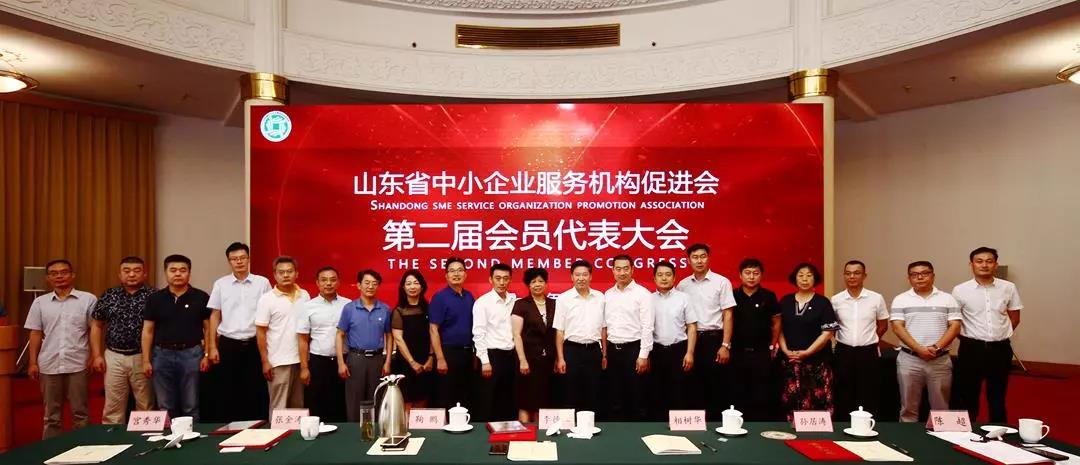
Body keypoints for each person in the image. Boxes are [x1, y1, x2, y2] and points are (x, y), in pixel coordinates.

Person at [25, 259, 97, 439]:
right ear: (47, 278)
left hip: (78, 363)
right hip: (49, 363)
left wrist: (95, 355)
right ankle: (51, 450)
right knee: (51, 415)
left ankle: (82, 448)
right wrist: (33, 362)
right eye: (54, 273)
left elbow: (95, 330)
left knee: (80, 412)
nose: (59, 276)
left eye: (64, 272)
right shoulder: (40, 303)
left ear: (72, 275)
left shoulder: (88, 299)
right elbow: (35, 333)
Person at [953, 247, 1023, 423]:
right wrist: (970, 338)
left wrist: (999, 334)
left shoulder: (1008, 287)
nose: (984, 265)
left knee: (997, 393)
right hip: (971, 348)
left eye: (989, 261)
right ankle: (967, 429)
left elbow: (1015, 318)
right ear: (971, 265)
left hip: (1000, 348)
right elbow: (954, 322)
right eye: (979, 261)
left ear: (995, 265)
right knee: (968, 392)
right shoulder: (960, 290)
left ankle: (998, 429)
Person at [205, 242, 272, 421]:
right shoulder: (221, 284)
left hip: (254, 343)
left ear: (249, 259)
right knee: (228, 388)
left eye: (242, 258)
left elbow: (270, 314)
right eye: (234, 259)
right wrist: (212, 347)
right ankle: (230, 427)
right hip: (229, 343)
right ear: (229, 262)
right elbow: (215, 315)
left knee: (256, 388)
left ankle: (257, 425)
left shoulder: (262, 283)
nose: (239, 262)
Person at [142, 255, 211, 421]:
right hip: (161, 355)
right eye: (173, 270)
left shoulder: (201, 297)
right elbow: (147, 331)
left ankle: (193, 435)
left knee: (191, 404)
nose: (178, 274)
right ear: (166, 273)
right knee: (165, 405)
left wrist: (207, 355)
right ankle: (168, 435)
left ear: (189, 273)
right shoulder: (155, 299)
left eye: (182, 270)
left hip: (192, 354)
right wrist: (145, 360)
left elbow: (208, 329)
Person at [890, 261, 961, 422]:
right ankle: (907, 436)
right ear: (909, 278)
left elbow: (955, 326)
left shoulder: (947, 299)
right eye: (914, 274)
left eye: (925, 273)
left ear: (933, 276)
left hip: (939, 359)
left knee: (941, 408)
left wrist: (936, 347)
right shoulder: (901, 299)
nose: (920, 277)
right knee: (908, 408)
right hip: (910, 360)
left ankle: (941, 436)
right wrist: (919, 349)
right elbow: (897, 327)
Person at [90, 256, 156, 425]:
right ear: (119, 274)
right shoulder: (109, 295)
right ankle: (112, 437)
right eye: (127, 271)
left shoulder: (154, 296)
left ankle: (144, 437)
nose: (131, 274)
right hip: (114, 356)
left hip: (143, 356)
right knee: (113, 406)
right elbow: (96, 325)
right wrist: (96, 355)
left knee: (145, 404)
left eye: (137, 271)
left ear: (145, 274)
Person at [676, 243, 736, 417]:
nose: (699, 261)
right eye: (695, 257)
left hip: (713, 339)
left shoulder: (721, 282)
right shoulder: (683, 285)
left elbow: (728, 315)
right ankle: (694, 422)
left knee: (715, 383)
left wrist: (725, 345)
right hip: (689, 340)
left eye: (703, 256)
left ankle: (715, 423)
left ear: (708, 258)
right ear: (689, 261)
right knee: (691, 383)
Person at [778, 262, 839, 421]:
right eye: (801, 275)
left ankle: (818, 432)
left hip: (816, 362)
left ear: (815, 279)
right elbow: (778, 329)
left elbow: (828, 333)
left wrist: (807, 352)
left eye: (809, 275)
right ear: (795, 278)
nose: (804, 279)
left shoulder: (823, 302)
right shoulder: (785, 301)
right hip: (790, 360)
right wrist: (785, 350)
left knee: (818, 400)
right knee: (791, 401)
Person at [830, 260, 889, 418]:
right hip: (843, 351)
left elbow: (883, 325)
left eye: (856, 273)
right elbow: (832, 326)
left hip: (868, 352)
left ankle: (868, 424)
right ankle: (843, 425)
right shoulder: (836, 300)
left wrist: (870, 338)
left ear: (864, 275)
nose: (852, 276)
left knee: (869, 391)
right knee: (843, 392)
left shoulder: (876, 298)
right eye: (848, 273)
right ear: (844, 276)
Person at [255, 256, 311, 417]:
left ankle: (297, 435)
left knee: (298, 408)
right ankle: (276, 434)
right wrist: (265, 361)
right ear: (275, 275)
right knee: (279, 408)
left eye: (289, 271)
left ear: (297, 274)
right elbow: (260, 332)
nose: (286, 275)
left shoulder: (304, 295)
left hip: (300, 361)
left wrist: (305, 365)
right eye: (281, 272)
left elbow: (306, 331)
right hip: (278, 361)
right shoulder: (267, 299)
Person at [603, 254, 654, 421]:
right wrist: (605, 353)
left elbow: (648, 327)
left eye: (626, 268)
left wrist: (643, 355)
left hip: (634, 350)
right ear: (612, 271)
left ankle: (639, 431)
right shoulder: (608, 294)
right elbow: (604, 326)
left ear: (632, 270)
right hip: (613, 349)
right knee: (614, 395)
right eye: (618, 269)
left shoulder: (643, 294)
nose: (622, 272)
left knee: (637, 394)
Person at [338, 269, 393, 421]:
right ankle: (354, 432)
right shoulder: (349, 308)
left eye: (374, 283)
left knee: (377, 398)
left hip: (377, 359)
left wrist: (387, 362)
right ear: (359, 285)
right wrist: (341, 363)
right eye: (367, 283)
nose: (370, 286)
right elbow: (339, 334)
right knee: (355, 400)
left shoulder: (385, 309)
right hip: (356, 359)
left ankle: (376, 432)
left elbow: (389, 336)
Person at [297, 266, 351, 422]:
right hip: (318, 361)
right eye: (324, 280)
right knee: (318, 402)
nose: (328, 283)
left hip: (344, 360)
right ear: (317, 283)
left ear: (338, 282)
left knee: (342, 402)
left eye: (333, 280)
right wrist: (304, 368)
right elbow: (302, 339)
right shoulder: (307, 306)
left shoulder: (348, 305)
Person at [729, 258, 780, 421]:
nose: (751, 277)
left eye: (755, 273)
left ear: (761, 275)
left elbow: (776, 322)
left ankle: (759, 426)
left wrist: (772, 345)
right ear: (740, 275)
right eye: (748, 273)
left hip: (761, 352)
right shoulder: (732, 295)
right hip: (737, 351)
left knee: (761, 392)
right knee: (737, 390)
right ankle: (736, 424)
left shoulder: (769, 296)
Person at [553, 260, 606, 414]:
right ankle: (570, 425)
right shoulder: (563, 299)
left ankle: (591, 424)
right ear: (572, 277)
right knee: (570, 391)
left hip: (594, 350)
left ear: (590, 276)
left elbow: (604, 328)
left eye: (584, 275)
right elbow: (559, 331)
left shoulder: (600, 297)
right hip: (571, 350)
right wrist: (560, 358)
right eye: (577, 275)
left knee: (594, 391)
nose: (581, 278)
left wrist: (604, 354)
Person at [648, 261, 696, 420]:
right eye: (660, 275)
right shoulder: (649, 299)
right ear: (654, 278)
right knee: (656, 391)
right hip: (656, 351)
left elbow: (692, 326)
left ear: (674, 278)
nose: (664, 278)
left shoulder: (684, 298)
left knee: (679, 391)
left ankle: (679, 427)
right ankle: (657, 426)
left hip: (678, 350)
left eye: (668, 275)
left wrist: (690, 352)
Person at [472, 263, 518, 421]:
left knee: (508, 398)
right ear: (490, 280)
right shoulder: (483, 302)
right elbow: (478, 333)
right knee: (488, 399)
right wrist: (485, 361)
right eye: (498, 278)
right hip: (492, 356)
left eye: (505, 278)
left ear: (510, 280)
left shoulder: (514, 300)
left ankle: (508, 433)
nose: (502, 282)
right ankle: (485, 433)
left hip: (511, 356)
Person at [429, 257, 476, 408]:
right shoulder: (440, 297)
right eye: (452, 271)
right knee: (447, 396)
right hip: (448, 353)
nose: (456, 274)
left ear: (465, 274)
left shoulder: (469, 297)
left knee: (466, 395)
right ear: (446, 275)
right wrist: (440, 358)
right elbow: (433, 329)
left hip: (467, 353)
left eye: (460, 270)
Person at [512, 268, 557, 423]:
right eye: (533, 282)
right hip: (528, 360)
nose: (537, 284)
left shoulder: (554, 304)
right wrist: (522, 360)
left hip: (547, 361)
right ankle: (525, 434)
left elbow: (557, 332)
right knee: (525, 401)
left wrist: (557, 358)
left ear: (546, 283)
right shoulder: (521, 304)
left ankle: (540, 434)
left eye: (540, 281)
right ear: (528, 285)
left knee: (542, 402)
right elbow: (516, 334)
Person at [390, 270, 434, 411]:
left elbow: (434, 333)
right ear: (403, 287)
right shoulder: (399, 311)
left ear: (422, 286)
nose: (412, 286)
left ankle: (421, 426)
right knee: (407, 402)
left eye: (416, 283)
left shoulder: (429, 309)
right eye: (408, 283)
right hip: (405, 362)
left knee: (423, 399)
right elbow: (398, 339)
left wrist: (431, 357)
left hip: (426, 361)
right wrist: (412, 362)